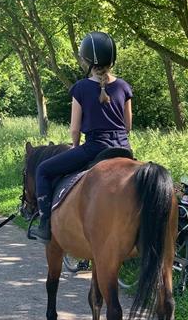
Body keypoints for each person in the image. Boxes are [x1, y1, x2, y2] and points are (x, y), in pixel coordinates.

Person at [32, 31, 133, 242]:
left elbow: (75, 129)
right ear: (112, 58)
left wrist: (76, 146)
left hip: (95, 147)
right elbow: (128, 125)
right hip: (124, 149)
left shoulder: (80, 88)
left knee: (42, 170)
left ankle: (45, 225)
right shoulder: (123, 86)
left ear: (86, 60)